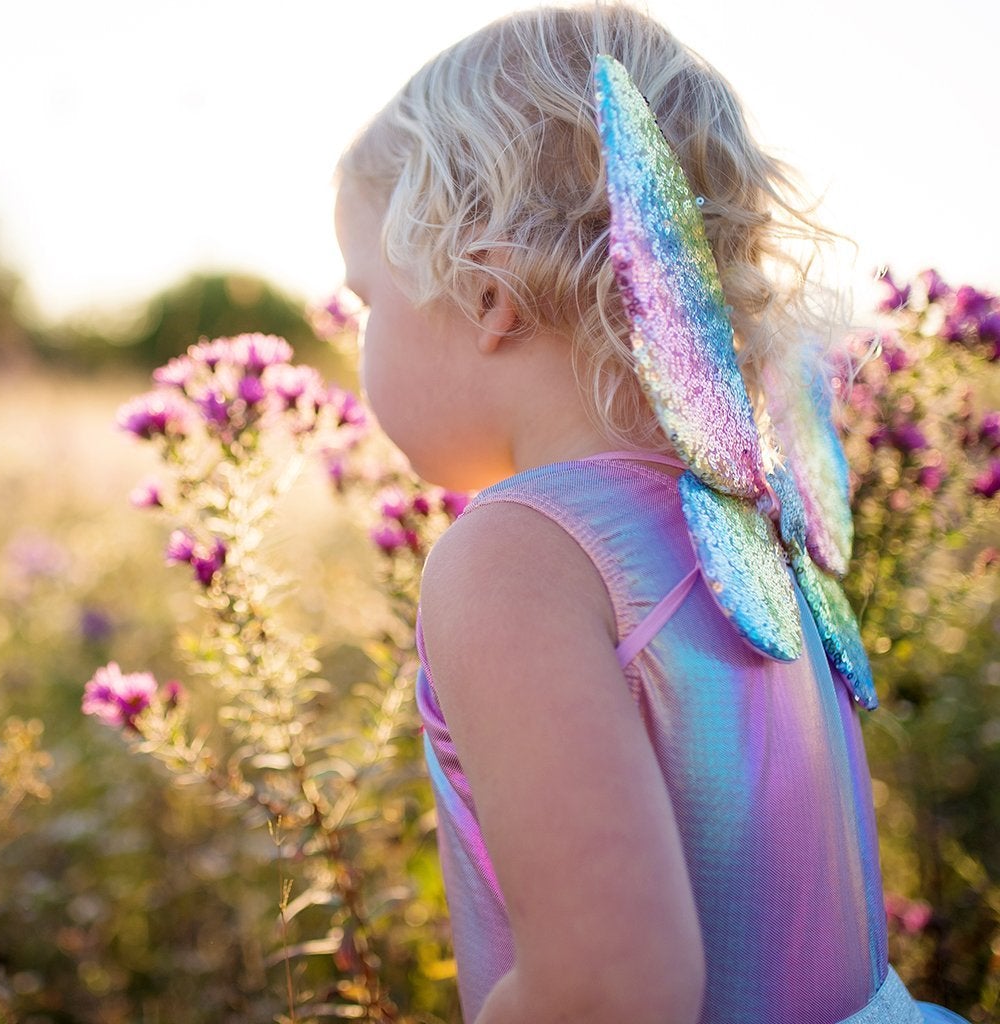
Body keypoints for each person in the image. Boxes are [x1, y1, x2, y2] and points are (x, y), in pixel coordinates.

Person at [334, 4, 970, 1022]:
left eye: (367, 301)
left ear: (488, 294)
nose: (356, 338)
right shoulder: (748, 518)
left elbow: (609, 989)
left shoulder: (517, 555)